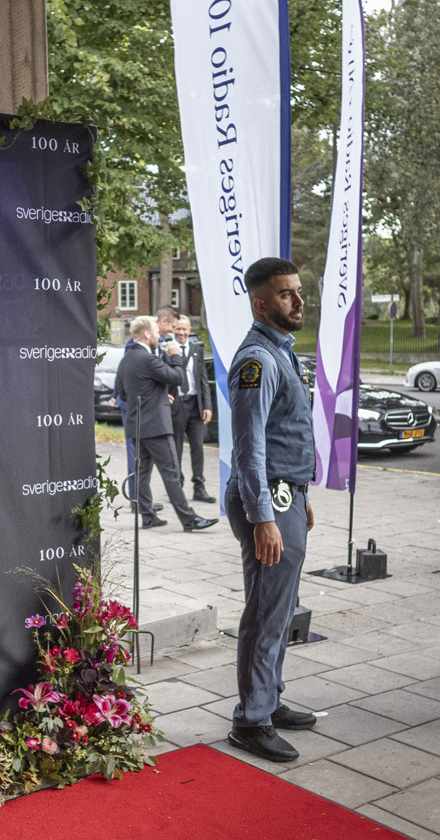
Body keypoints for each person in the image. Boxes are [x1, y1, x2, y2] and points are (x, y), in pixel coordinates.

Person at [224, 258, 321, 763]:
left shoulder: (281, 351)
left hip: (285, 497)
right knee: (266, 613)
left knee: (280, 609)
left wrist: (300, 495)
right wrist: (264, 516)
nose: (299, 301)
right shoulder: (257, 361)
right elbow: (249, 448)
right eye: (287, 294)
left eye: (299, 291)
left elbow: (284, 435)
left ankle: (269, 699)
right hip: (267, 502)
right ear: (261, 305)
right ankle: (251, 721)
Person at [116, 316, 217, 532]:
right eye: (155, 331)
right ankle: (189, 519)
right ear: (146, 334)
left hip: (137, 425)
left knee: (142, 473)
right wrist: (175, 357)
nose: (159, 336)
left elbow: (122, 393)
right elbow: (177, 378)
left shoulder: (126, 360)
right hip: (157, 426)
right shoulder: (148, 359)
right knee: (171, 472)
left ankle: (148, 516)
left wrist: (158, 395)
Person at [167, 313, 217, 504]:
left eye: (184, 329)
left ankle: (199, 488)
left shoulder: (196, 349)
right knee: (176, 448)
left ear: (189, 330)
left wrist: (207, 405)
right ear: (173, 330)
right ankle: (177, 488)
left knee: (198, 448)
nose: (181, 332)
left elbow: (202, 379)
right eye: (178, 329)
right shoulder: (167, 350)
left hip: (195, 405)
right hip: (177, 404)